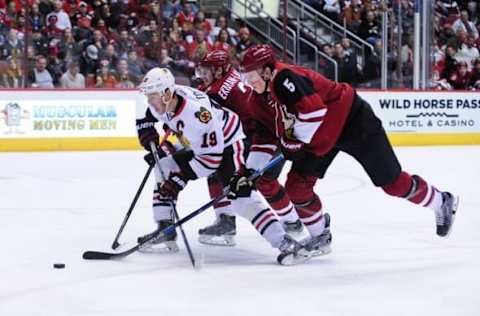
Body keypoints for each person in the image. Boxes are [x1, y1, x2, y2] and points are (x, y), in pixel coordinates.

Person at [229, 45, 459, 255]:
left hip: (352, 120)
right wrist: (250, 171)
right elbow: (264, 138)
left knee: (393, 183)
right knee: (297, 188)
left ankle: (441, 201)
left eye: (252, 75)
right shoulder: (255, 101)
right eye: (245, 76)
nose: (249, 82)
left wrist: (294, 142)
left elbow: (314, 112)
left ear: (267, 71)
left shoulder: (285, 78)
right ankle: (320, 236)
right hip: (319, 139)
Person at [135, 67, 314, 265]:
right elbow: (148, 115)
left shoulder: (197, 116)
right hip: (204, 144)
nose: (150, 101)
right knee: (164, 165)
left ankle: (284, 242)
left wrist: (179, 180)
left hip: (228, 145)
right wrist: (146, 131)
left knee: (241, 198)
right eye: (149, 96)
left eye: (153, 96)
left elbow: (210, 160)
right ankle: (165, 229)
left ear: (167, 94)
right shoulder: (166, 98)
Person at [194, 49, 304, 246]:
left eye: (206, 70)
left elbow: (203, 125)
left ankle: (232, 221)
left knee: (253, 180)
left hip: (262, 137)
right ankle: (291, 221)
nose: (202, 75)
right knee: (258, 179)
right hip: (262, 134)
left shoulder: (215, 92)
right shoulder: (230, 76)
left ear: (219, 71)